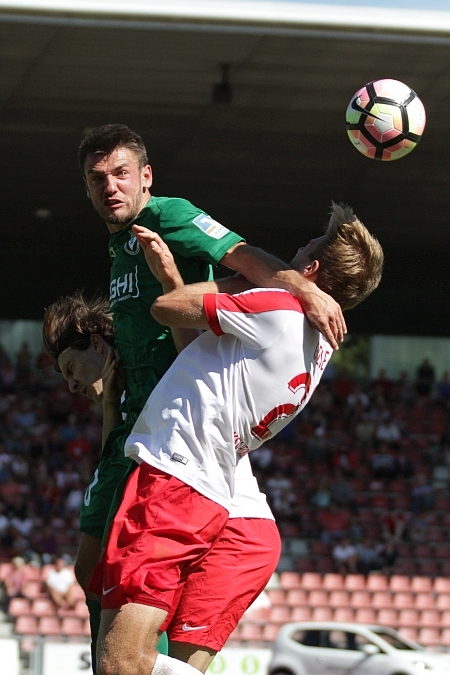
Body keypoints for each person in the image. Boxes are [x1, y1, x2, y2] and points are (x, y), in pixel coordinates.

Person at [68, 122, 346, 670]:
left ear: (146, 176)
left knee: (119, 585)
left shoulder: (168, 216)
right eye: (97, 178)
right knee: (91, 571)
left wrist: (304, 288)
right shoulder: (120, 244)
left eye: (121, 174)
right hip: (138, 418)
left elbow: (243, 255)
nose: (110, 187)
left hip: (176, 433)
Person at [94, 201, 383, 675]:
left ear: (310, 270)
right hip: (225, 497)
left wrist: (244, 279)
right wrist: (172, 276)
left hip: (177, 475)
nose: (292, 255)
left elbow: (165, 309)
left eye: (304, 249)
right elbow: (198, 353)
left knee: (119, 662)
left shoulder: (279, 306)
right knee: (161, 663)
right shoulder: (318, 345)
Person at [43, 293, 280, 674]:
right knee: (158, 661)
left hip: (232, 525)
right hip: (214, 519)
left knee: (122, 647)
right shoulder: (127, 400)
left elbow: (184, 321)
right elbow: (113, 458)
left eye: (71, 368)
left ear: (97, 344)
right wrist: (110, 406)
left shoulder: (157, 372)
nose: (71, 386)